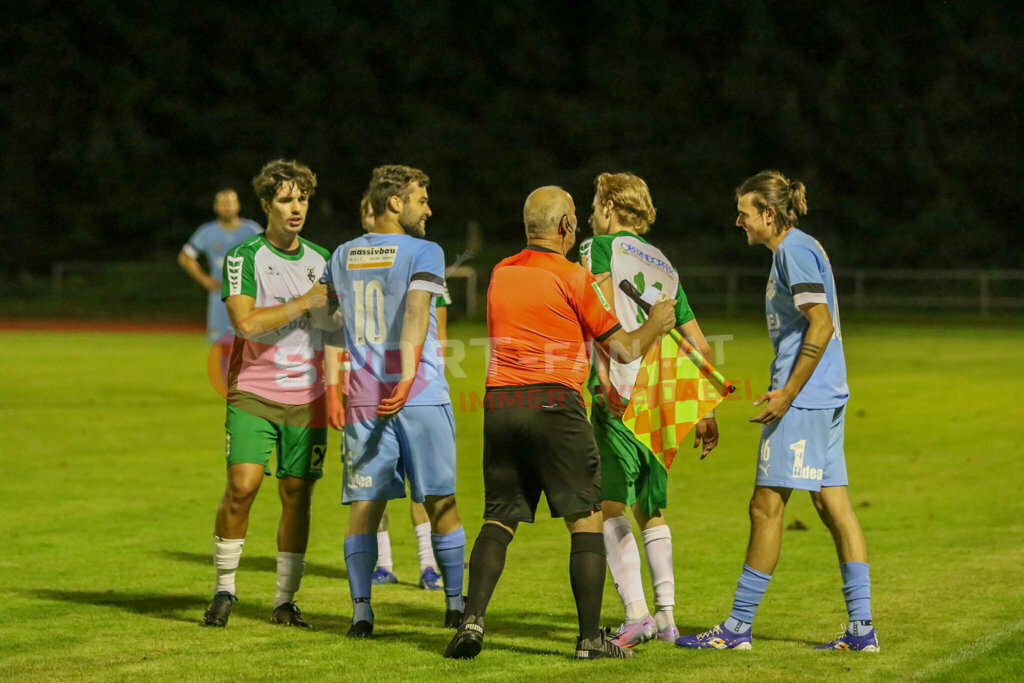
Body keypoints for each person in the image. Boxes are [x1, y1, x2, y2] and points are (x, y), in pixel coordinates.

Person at [444, 186, 677, 661]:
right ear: (567, 227)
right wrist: (656, 321)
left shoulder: (500, 272)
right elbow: (626, 348)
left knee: (499, 516)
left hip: (501, 403)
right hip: (556, 404)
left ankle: (472, 621)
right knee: (586, 519)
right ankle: (591, 641)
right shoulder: (575, 277)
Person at [676, 170, 878, 651]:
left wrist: (786, 392)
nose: (738, 221)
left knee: (765, 507)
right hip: (823, 394)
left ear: (768, 214)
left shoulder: (793, 249)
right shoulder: (798, 248)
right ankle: (862, 630)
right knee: (834, 507)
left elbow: (821, 324)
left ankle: (737, 629)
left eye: (744, 213)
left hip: (805, 398)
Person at [322, 165, 465, 638]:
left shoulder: (343, 254)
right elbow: (420, 313)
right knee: (442, 499)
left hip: (364, 396)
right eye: (422, 199)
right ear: (396, 203)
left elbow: (326, 318)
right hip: (418, 392)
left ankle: (362, 614)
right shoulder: (425, 250)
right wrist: (405, 377)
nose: (429, 208)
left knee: (364, 505)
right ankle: (454, 605)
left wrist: (333, 384)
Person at [578, 172, 719, 648]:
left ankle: (636, 614)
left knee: (610, 504)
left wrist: (595, 373)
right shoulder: (665, 264)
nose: (592, 213)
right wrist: (703, 408)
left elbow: (588, 303)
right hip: (662, 400)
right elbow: (696, 341)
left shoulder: (599, 248)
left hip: (618, 393)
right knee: (650, 507)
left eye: (595, 205)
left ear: (612, 208)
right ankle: (667, 615)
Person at [201, 160, 334, 629]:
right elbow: (246, 323)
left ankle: (284, 601)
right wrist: (304, 302)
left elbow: (331, 331)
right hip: (254, 392)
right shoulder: (245, 256)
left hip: (309, 396)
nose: (295, 208)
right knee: (243, 487)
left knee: (297, 494)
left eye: (301, 199)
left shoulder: (323, 259)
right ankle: (224, 589)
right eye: (285, 200)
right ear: (266, 205)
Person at [356, 193, 446, 591]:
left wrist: (430, 373)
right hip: (370, 386)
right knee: (376, 481)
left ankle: (428, 563)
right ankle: (384, 562)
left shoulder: (421, 261)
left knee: (420, 481)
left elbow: (437, 328)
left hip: (418, 384)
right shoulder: (353, 265)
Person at [178, 189, 263, 387]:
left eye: (230, 202)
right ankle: (230, 388)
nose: (227, 207)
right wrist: (205, 280)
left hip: (250, 295)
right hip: (221, 298)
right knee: (225, 343)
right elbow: (185, 257)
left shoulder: (252, 231)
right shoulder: (207, 232)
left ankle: (252, 384)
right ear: (216, 207)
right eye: (222, 203)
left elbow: (272, 255)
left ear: (238, 205)